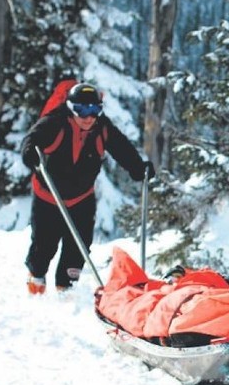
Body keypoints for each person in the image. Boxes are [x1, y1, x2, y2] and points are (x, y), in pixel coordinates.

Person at [21, 82, 154, 294]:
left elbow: (121, 147)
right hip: (49, 197)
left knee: (79, 246)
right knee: (44, 245)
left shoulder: (101, 127)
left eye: (94, 110)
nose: (88, 116)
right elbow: (32, 139)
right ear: (71, 107)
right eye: (82, 110)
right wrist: (29, 152)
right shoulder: (55, 122)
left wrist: (137, 167)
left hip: (81, 198)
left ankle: (66, 288)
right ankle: (36, 280)